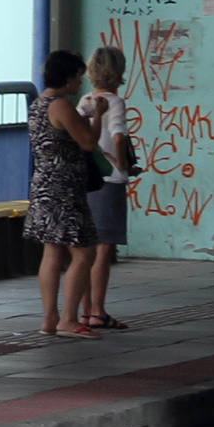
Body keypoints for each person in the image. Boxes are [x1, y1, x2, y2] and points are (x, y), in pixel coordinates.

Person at [25, 50, 104, 339]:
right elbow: (88, 143)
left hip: (43, 185)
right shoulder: (61, 105)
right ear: (67, 77)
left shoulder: (38, 103)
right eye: (78, 77)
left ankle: (50, 318)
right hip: (65, 188)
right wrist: (98, 118)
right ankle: (69, 319)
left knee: (52, 251)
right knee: (84, 252)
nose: (80, 84)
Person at [79, 45, 132, 331]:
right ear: (118, 71)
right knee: (103, 250)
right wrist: (123, 166)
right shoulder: (115, 102)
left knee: (86, 248)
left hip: (86, 180)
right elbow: (119, 137)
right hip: (109, 181)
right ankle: (98, 311)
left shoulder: (84, 101)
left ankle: (86, 311)